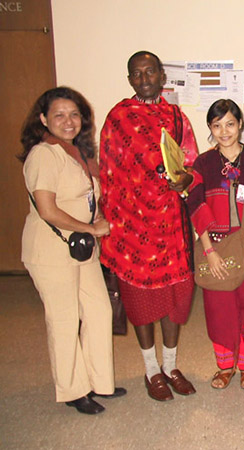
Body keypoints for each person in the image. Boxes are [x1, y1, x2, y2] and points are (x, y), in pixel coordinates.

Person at [19, 87, 126, 415]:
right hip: (52, 250)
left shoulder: (75, 153)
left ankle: (99, 382)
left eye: (74, 114)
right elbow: (48, 210)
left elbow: (87, 199)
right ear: (43, 119)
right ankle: (73, 390)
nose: (68, 121)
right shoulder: (43, 155)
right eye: (59, 115)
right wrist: (93, 228)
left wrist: (99, 221)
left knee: (99, 312)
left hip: (81, 248)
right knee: (64, 319)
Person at [100, 51, 198, 401]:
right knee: (141, 300)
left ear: (162, 76)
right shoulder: (118, 117)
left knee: (173, 298)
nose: (144, 79)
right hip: (132, 226)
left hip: (170, 223)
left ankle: (171, 366)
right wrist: (111, 224)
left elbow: (191, 164)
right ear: (130, 80)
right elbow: (107, 171)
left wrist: (184, 177)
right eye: (136, 74)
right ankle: (151, 370)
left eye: (150, 72)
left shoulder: (176, 116)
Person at [187, 99, 244, 389]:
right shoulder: (203, 163)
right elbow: (196, 205)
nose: (224, 131)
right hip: (214, 247)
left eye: (230, 123)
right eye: (217, 125)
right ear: (210, 128)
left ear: (240, 124)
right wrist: (209, 250)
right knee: (219, 308)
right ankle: (225, 366)